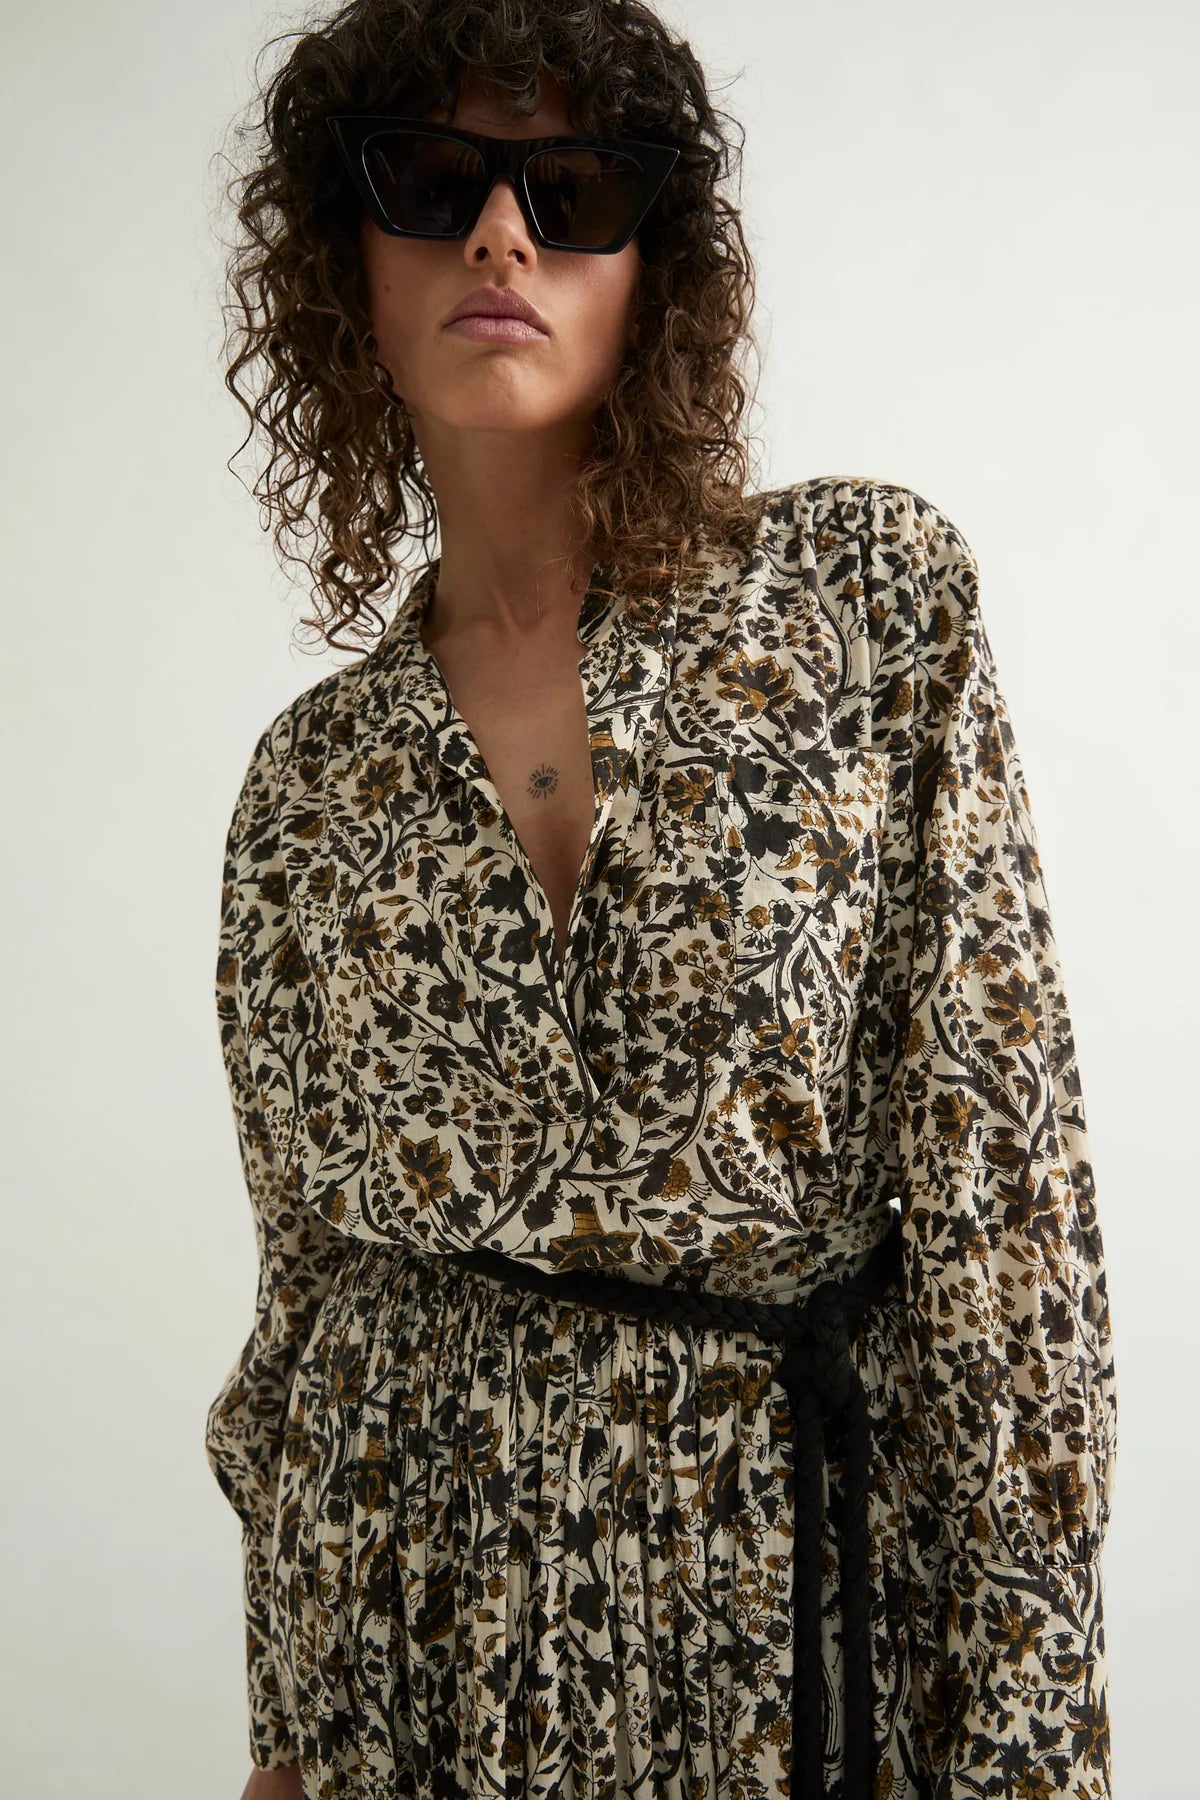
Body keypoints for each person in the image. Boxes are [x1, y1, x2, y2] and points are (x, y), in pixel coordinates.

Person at [204, 4, 1118, 1797]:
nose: (501, 237)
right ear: (340, 263)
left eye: (575, 191)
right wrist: (287, 1743)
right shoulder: (308, 780)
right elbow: (303, 1313)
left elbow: (1008, 1226)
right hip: (413, 1659)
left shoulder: (863, 603)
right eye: (431, 181)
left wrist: (1029, 1747)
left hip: (789, 1619)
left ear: (659, 269)